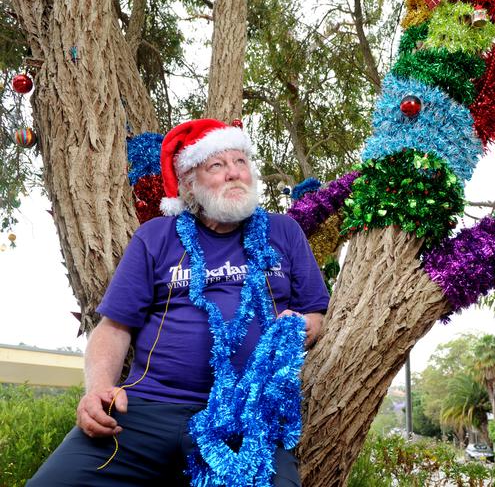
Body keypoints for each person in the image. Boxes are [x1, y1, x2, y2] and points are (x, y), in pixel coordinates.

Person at [28, 118, 330, 486]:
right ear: (189, 184)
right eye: (217, 166)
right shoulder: (156, 236)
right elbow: (114, 327)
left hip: (245, 414)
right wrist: (96, 391)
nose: (234, 173)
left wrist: (299, 329)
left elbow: (315, 312)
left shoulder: (284, 231)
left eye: (241, 162)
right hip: (147, 409)